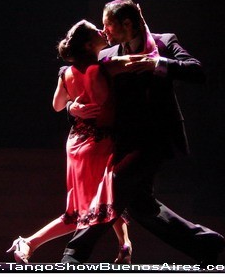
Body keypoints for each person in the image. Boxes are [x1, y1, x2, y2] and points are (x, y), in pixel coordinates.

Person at [61, 0, 225, 265]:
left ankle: (75, 254)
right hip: (123, 140)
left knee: (114, 188)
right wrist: (72, 109)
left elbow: (196, 71)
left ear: (127, 23)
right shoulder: (107, 55)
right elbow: (71, 79)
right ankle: (204, 242)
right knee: (141, 206)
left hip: (155, 139)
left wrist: (157, 64)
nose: (104, 32)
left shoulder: (163, 43)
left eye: (108, 25)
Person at [7, 20, 133, 264]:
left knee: (101, 200)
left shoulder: (66, 72)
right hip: (98, 142)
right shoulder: (98, 70)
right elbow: (104, 107)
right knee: (100, 202)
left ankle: (124, 244)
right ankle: (30, 242)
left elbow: (57, 105)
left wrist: (73, 106)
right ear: (88, 44)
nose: (102, 32)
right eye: (98, 31)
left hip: (76, 142)